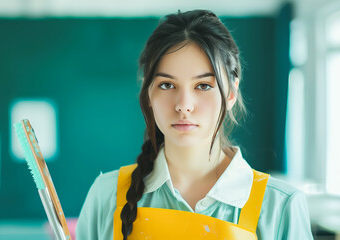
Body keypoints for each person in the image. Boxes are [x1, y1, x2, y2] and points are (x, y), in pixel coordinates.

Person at [76, 9, 313, 240]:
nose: (184, 105)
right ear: (148, 93)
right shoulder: (105, 196)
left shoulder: (281, 207)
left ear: (231, 93)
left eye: (203, 86)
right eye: (167, 85)